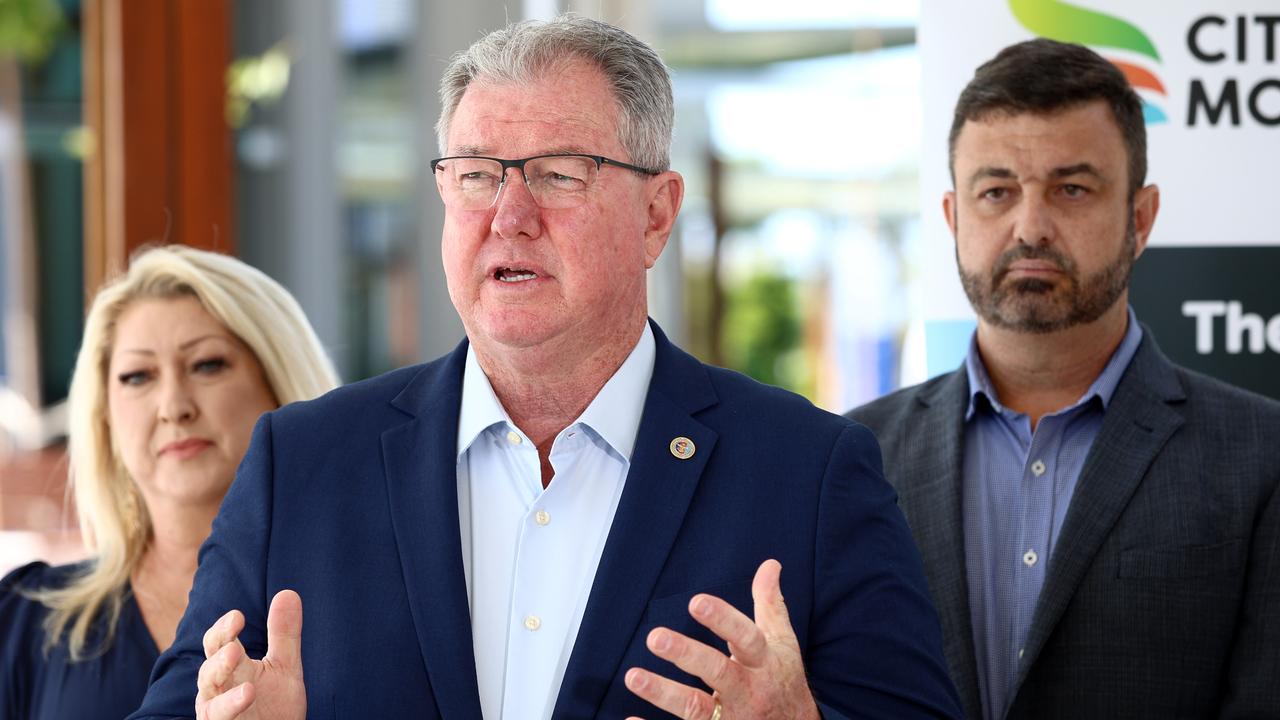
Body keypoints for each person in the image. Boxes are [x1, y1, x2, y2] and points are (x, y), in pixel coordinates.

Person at [130, 15, 961, 720]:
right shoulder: (301, 464)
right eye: (477, 176)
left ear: (657, 213)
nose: (510, 216)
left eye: (560, 174)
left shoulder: (808, 473)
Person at [847, 38, 1280, 719]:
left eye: (1071, 188)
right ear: (954, 219)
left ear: (1140, 219)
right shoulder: (853, 455)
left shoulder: (1262, 454)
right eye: (996, 192)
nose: (1031, 227)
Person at [0, 245, 339, 719]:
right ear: (104, 418)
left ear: (278, 381)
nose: (173, 405)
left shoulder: (364, 603)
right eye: (138, 376)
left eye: (206, 365)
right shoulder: (23, 621)